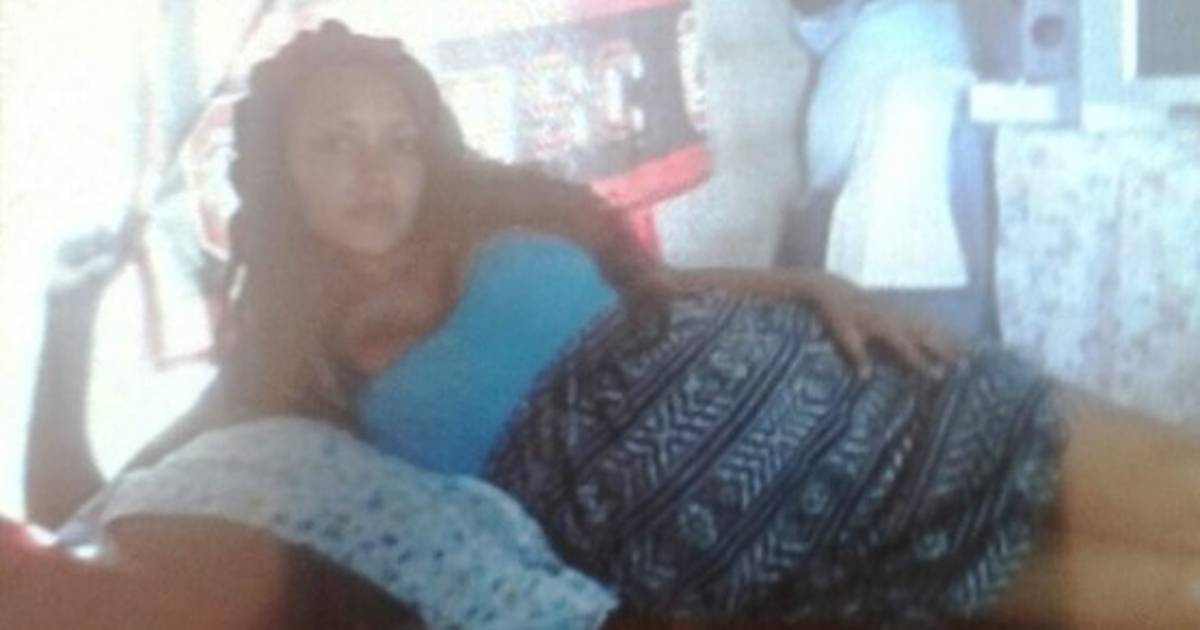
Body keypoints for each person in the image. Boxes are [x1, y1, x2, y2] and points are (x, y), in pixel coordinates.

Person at [22, 19, 1200, 630]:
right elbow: (85, 512)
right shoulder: (284, 371)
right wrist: (69, 321)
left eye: (397, 141)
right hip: (776, 553)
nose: (376, 173)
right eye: (335, 143)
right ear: (280, 168)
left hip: (868, 401)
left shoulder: (500, 211)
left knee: (1176, 478)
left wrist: (823, 291)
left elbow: (663, 290)